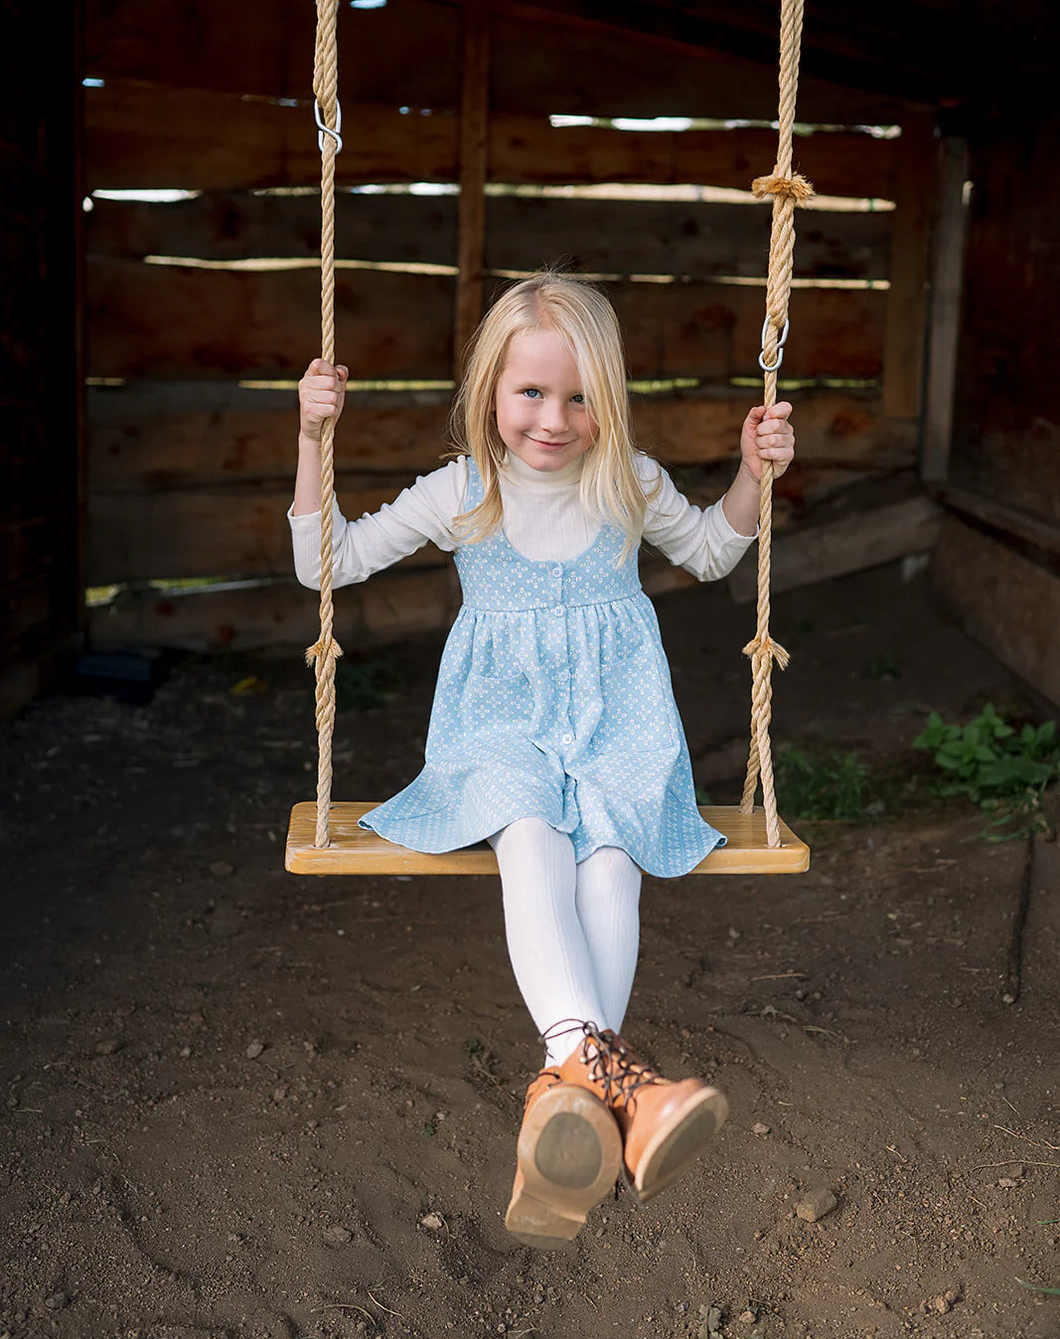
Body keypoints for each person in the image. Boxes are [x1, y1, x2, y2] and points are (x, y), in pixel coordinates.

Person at [290, 272, 795, 1249]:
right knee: (530, 835)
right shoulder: (462, 489)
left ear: (607, 396)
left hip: (619, 727)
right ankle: (616, 1089)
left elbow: (710, 555)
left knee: (609, 864)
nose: (554, 419)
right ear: (489, 390)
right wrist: (313, 439)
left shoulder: (627, 481)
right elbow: (328, 564)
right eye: (529, 393)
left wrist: (751, 474)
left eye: (578, 396)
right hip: (499, 728)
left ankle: (566, 1106)